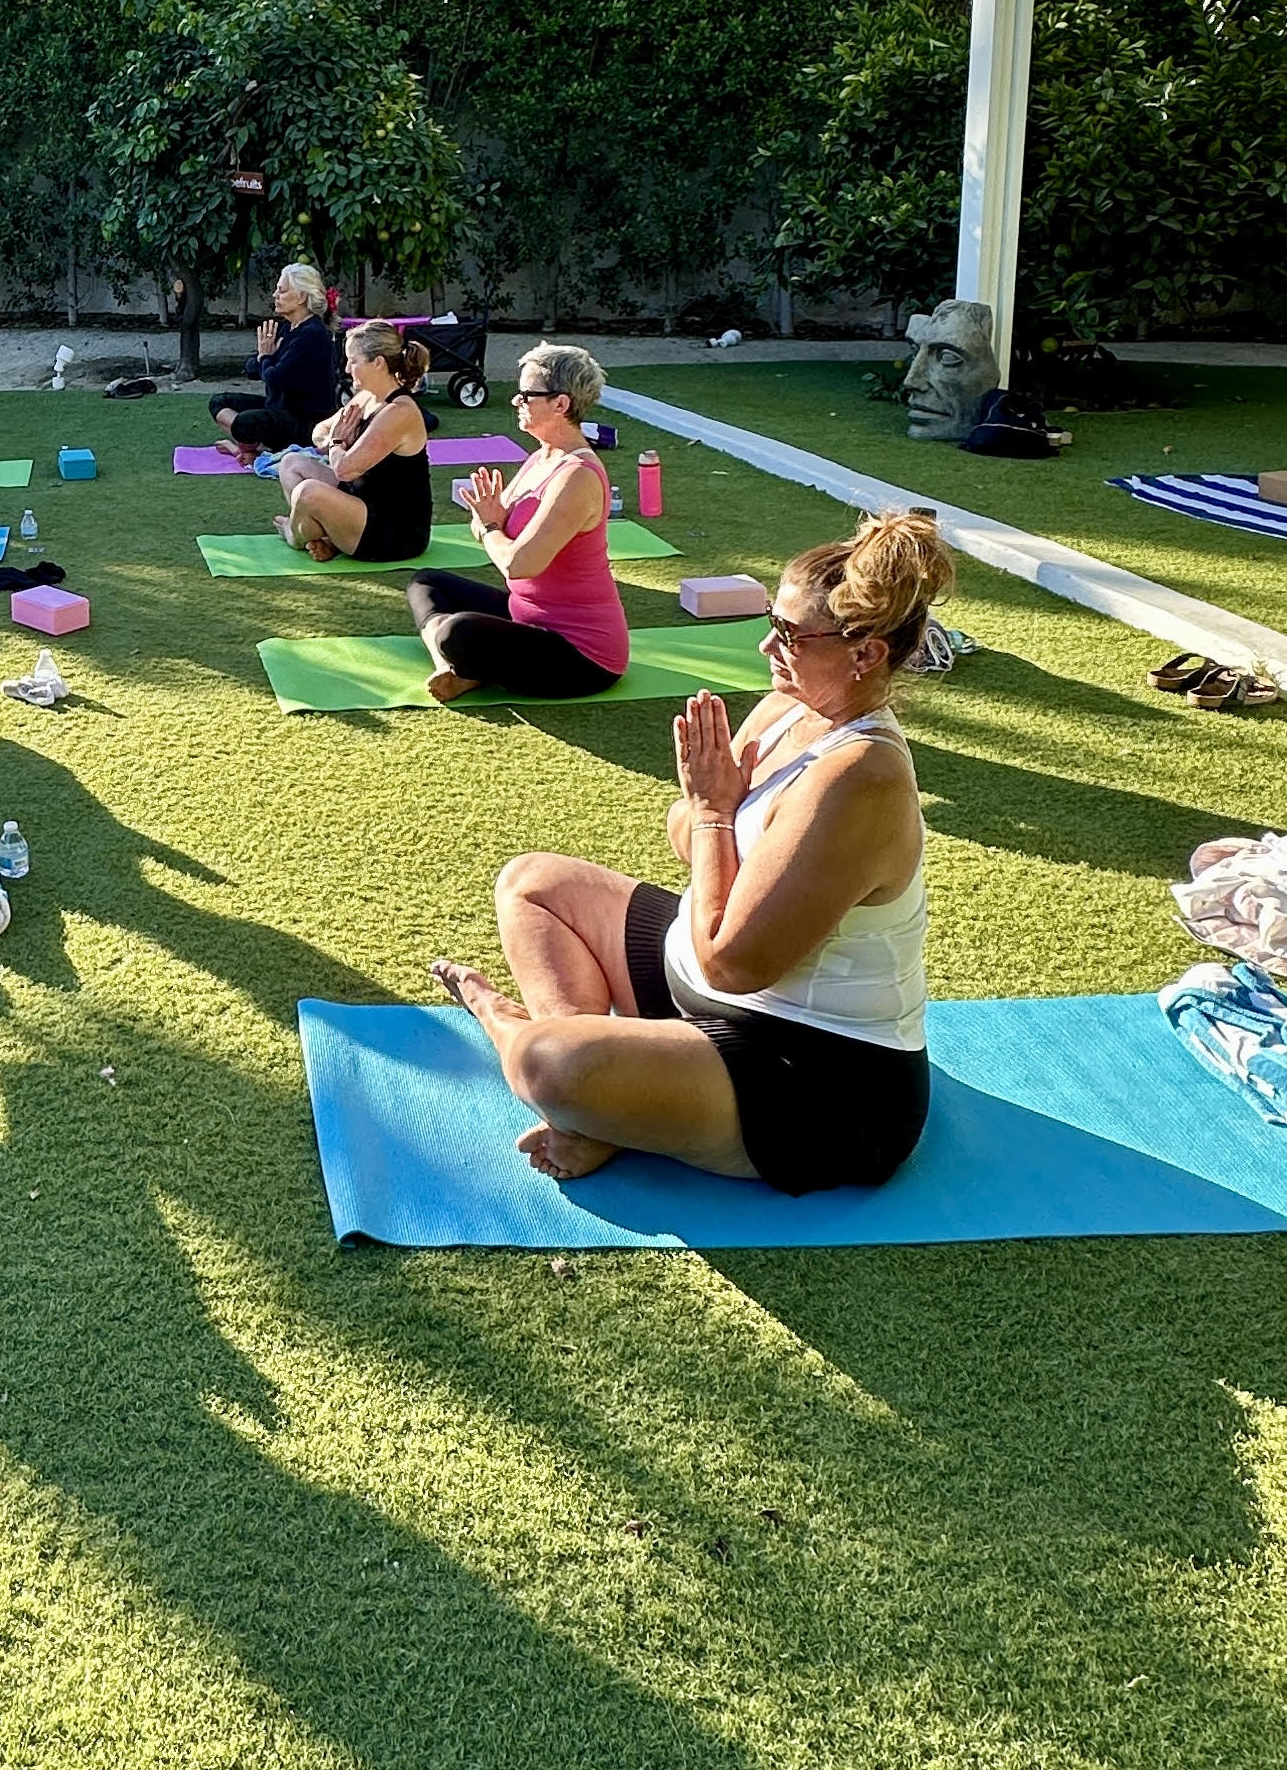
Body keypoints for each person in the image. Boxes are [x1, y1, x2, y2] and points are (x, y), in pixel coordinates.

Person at [430, 514, 956, 1197]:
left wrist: (714, 810)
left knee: (545, 1061)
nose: (768, 642)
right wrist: (707, 815)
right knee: (532, 884)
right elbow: (685, 837)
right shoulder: (785, 709)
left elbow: (731, 962)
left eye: (791, 635)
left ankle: (515, 1033)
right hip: (702, 994)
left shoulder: (862, 778)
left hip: (821, 1078)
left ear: (866, 656)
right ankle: (603, 1113)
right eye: (772, 618)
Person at [406, 341, 627, 699]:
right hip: (525, 616)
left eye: (526, 395)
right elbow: (481, 525)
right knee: (427, 583)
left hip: (581, 655)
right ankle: (452, 668)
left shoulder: (578, 476)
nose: (516, 401)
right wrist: (489, 524)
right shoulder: (540, 458)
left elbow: (518, 564)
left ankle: (460, 662)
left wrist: (492, 526)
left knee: (457, 632)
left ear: (561, 404)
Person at [274, 322, 433, 564]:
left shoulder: (400, 412)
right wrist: (336, 440)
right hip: (362, 502)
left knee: (308, 492)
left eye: (353, 361)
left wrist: (338, 443)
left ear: (378, 363)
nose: (347, 368)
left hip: (395, 532)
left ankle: (294, 535)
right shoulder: (366, 398)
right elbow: (319, 434)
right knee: (290, 463)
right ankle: (331, 539)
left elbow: (344, 469)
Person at [210, 261, 341, 462]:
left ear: (301, 297)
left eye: (281, 291)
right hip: (279, 409)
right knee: (220, 402)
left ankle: (254, 451)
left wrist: (266, 357)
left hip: (306, 421)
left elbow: (274, 377)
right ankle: (253, 449)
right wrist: (264, 358)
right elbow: (252, 368)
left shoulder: (312, 334)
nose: (275, 295)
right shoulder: (286, 328)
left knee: (244, 422)